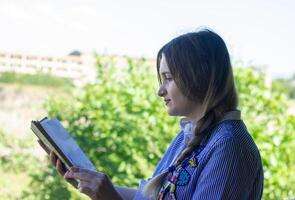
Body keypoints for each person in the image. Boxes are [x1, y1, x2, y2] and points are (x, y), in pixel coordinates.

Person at [40, 28, 264, 200]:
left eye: (168, 78)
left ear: (198, 76)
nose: (160, 91)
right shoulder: (190, 134)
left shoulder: (230, 146)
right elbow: (151, 197)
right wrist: (93, 186)